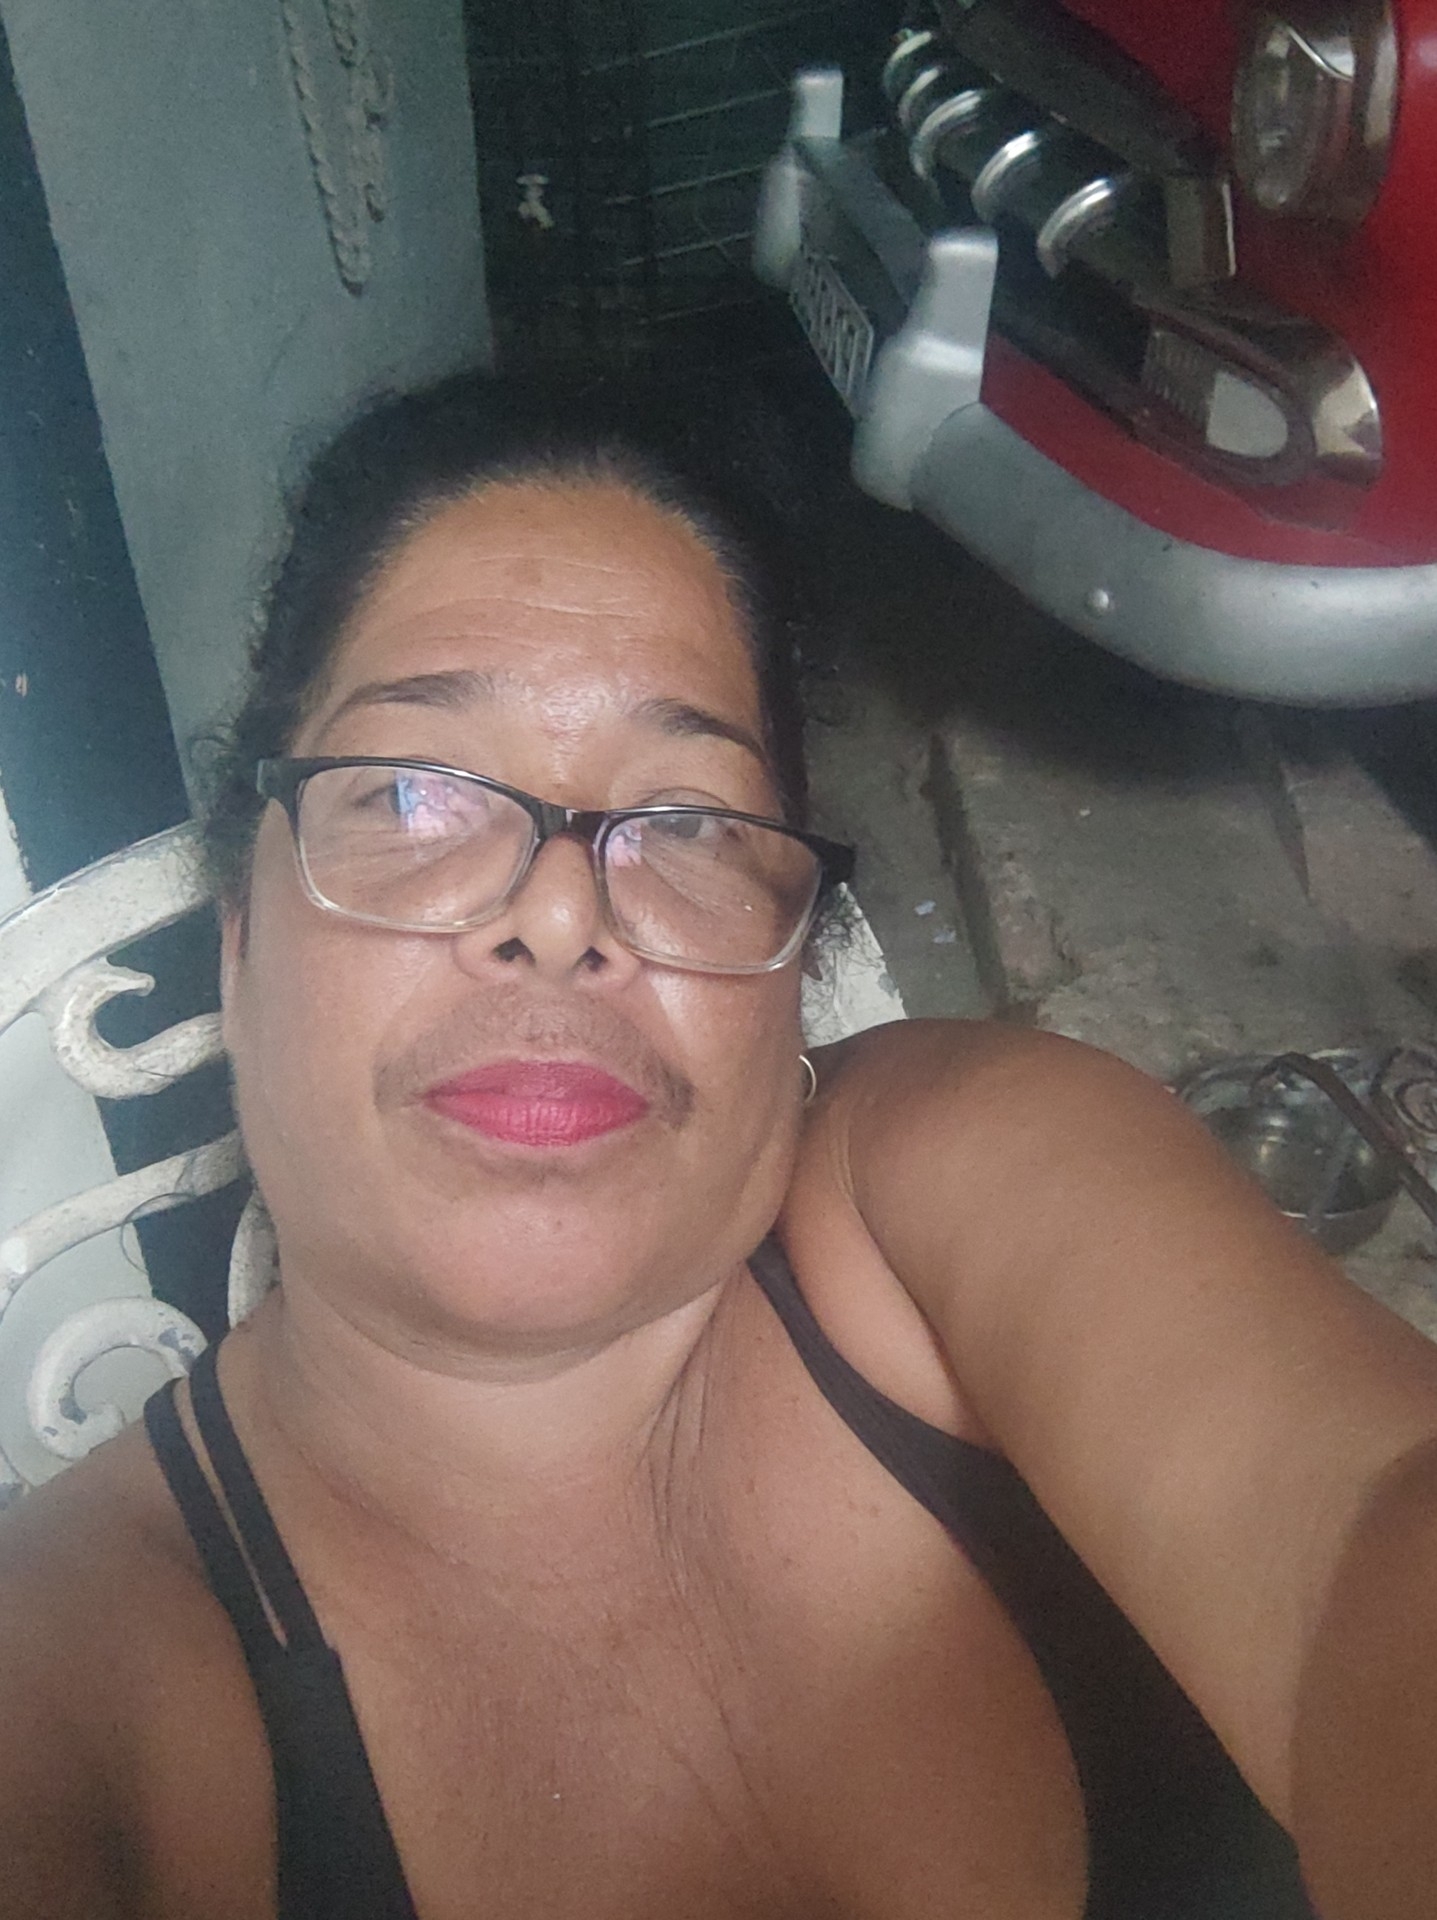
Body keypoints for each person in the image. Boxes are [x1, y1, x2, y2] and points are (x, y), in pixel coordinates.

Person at [1, 371, 1435, 1920]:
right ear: (238, 948)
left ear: (791, 974)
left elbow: (1370, 1524)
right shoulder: (81, 1674)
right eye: (412, 795)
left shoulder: (944, 1180)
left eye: (685, 823)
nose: (561, 914)